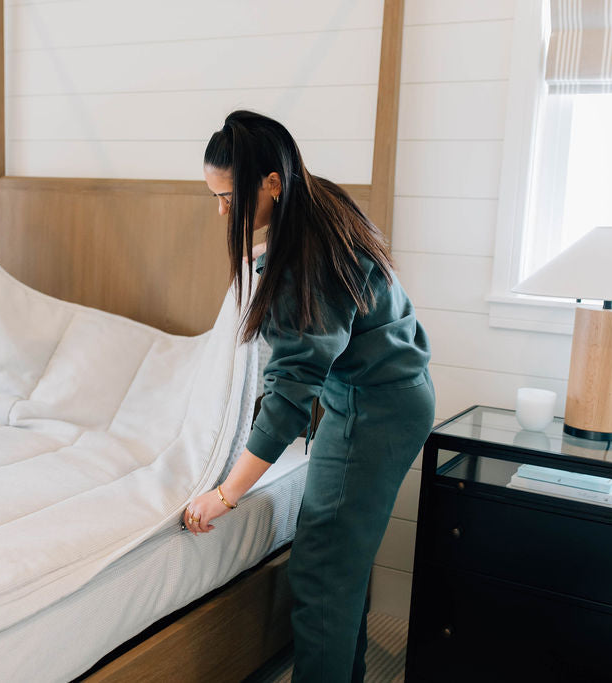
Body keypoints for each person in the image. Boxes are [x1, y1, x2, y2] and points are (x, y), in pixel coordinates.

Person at [186, 110, 435, 682]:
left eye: (229, 196)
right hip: (390, 389)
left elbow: (289, 397)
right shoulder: (315, 203)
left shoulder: (305, 262)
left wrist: (225, 495)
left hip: (375, 406)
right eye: (214, 196)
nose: (222, 211)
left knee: (322, 569)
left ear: (272, 183)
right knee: (340, 564)